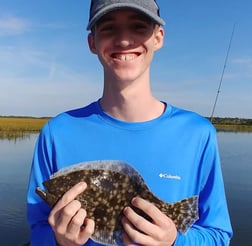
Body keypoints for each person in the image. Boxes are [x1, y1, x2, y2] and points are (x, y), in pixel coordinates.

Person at [27, 0, 233, 245]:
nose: (124, 40)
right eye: (108, 28)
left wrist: (174, 241)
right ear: (92, 43)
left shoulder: (198, 133)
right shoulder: (56, 133)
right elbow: (38, 230)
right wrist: (59, 240)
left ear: (158, 37)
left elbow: (218, 235)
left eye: (138, 26)